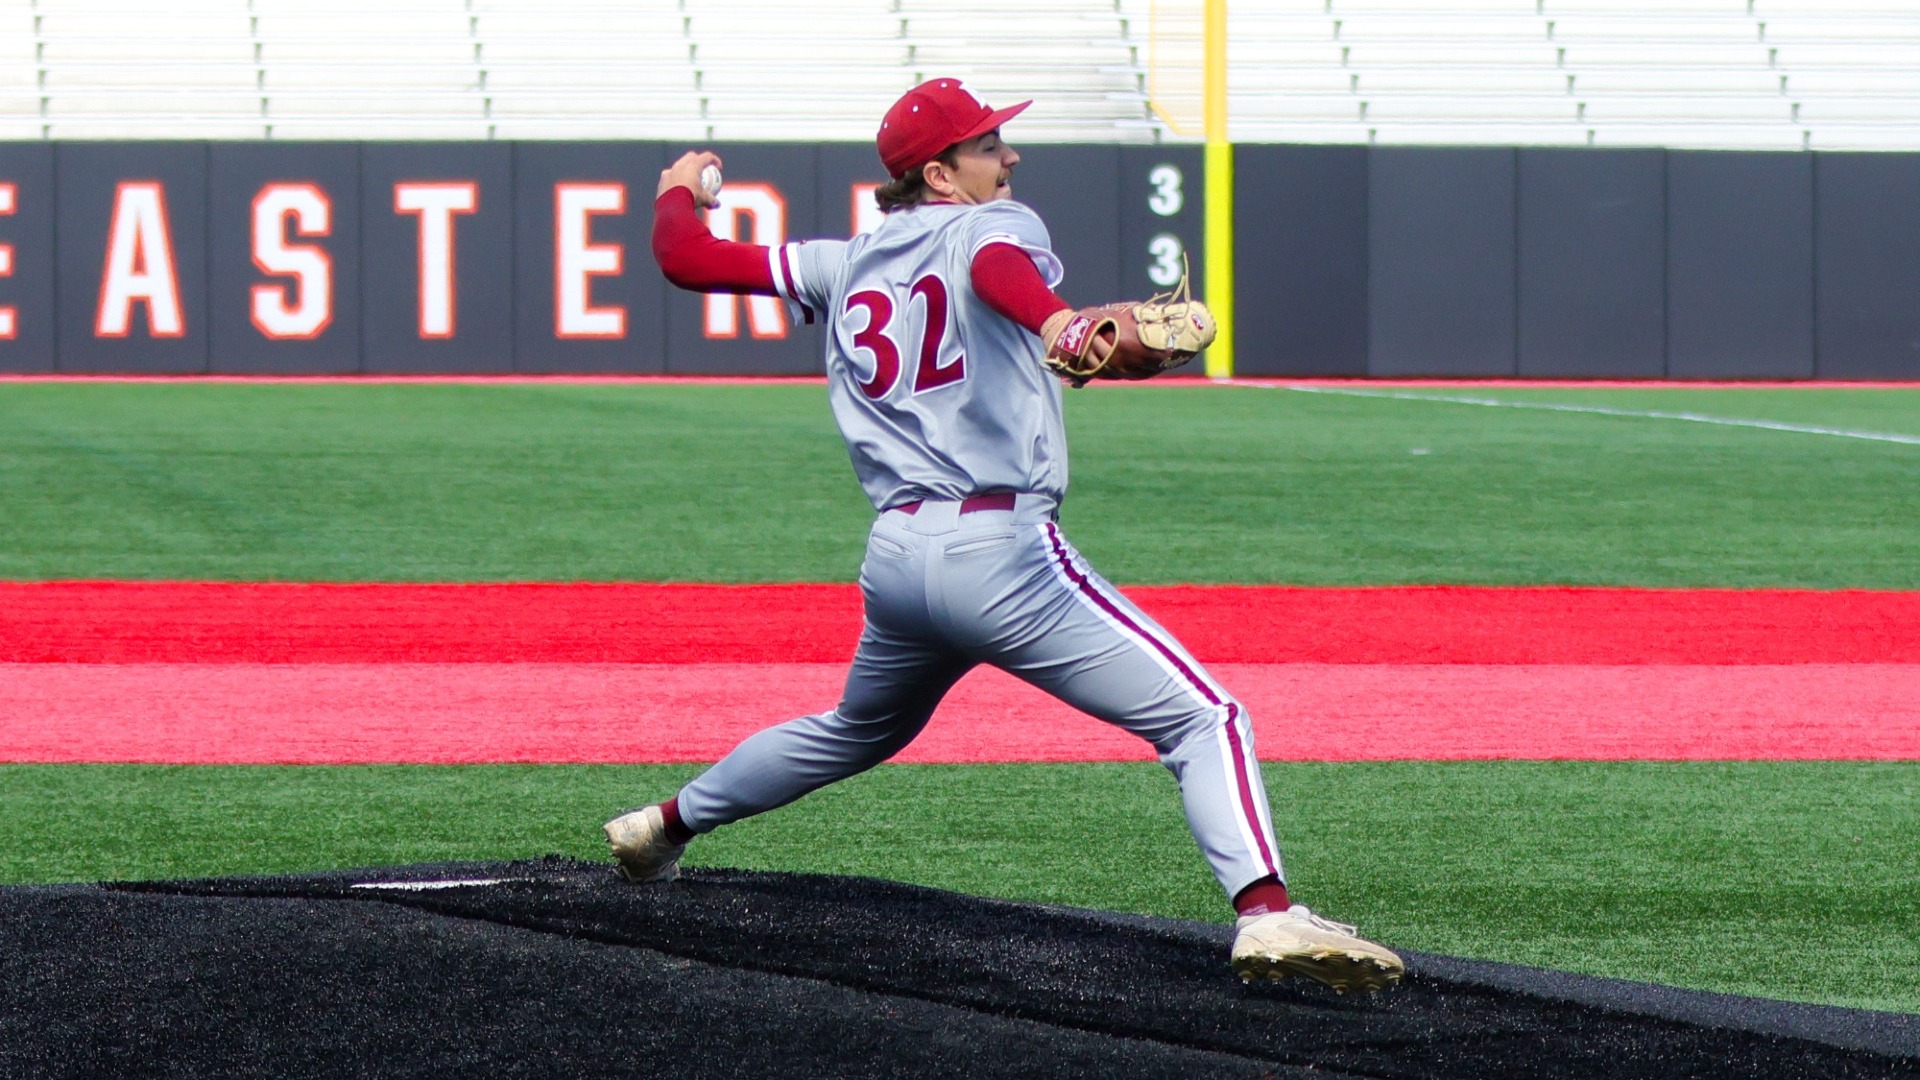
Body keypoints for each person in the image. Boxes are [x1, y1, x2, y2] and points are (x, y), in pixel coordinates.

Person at [605, 78, 1403, 993]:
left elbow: (688, 258)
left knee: (854, 728)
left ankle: (661, 827)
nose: (1009, 158)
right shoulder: (995, 224)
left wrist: (680, 186)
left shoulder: (844, 262)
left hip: (899, 559)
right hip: (1002, 553)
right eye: (988, 145)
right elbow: (998, 273)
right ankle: (1266, 916)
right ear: (941, 175)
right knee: (1201, 715)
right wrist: (1058, 320)